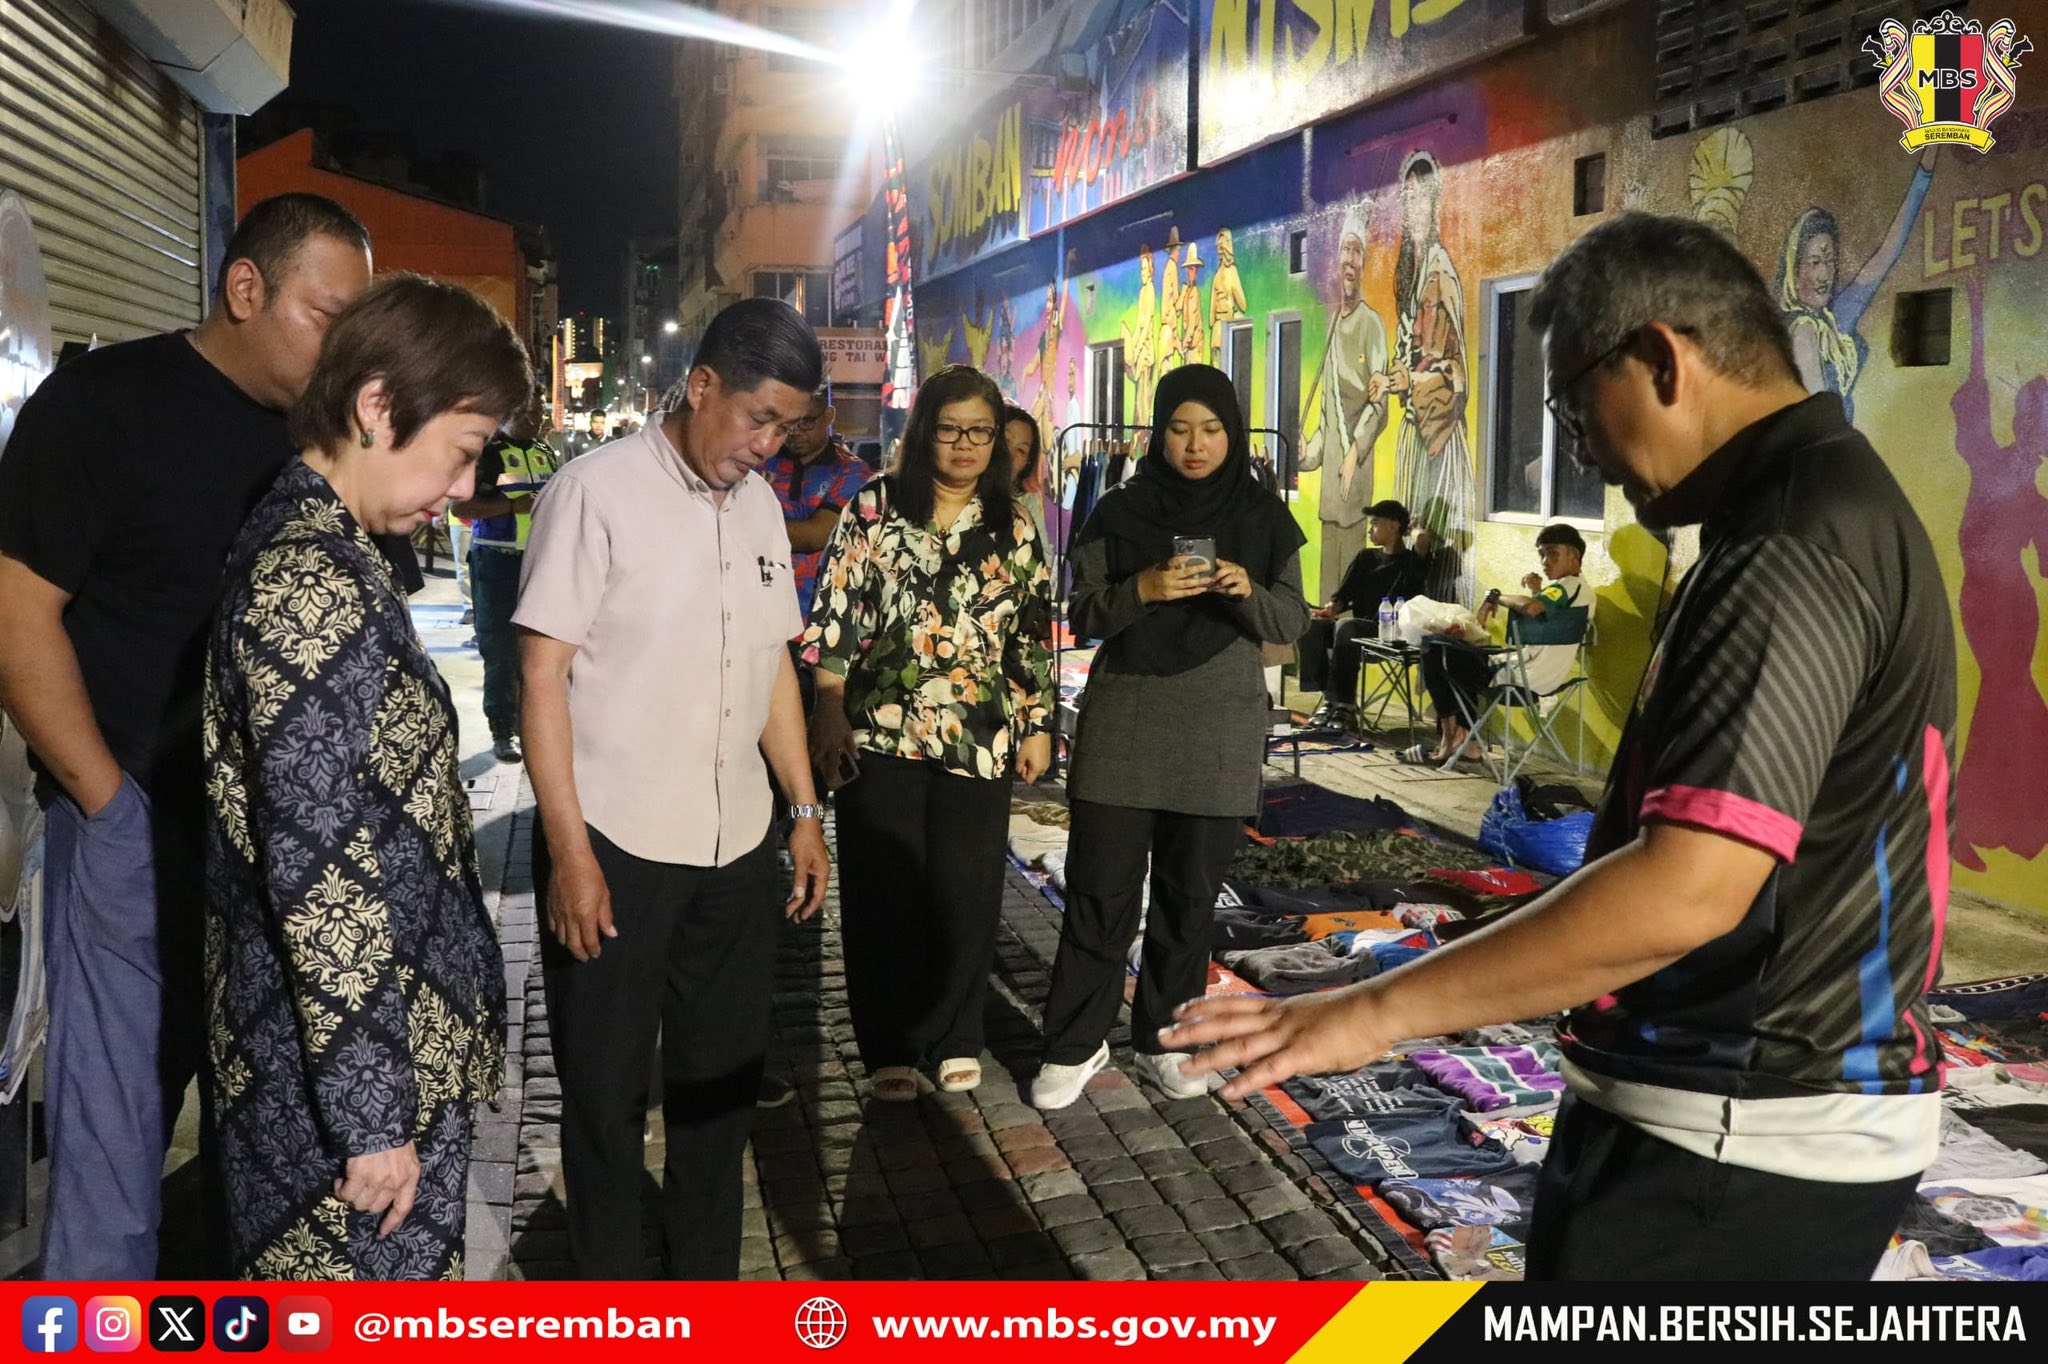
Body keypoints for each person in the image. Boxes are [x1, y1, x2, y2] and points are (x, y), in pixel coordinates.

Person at [1166, 213, 1956, 1282]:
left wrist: (1370, 1013)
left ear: (1659, 358)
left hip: (1738, 1132)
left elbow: (1689, 889)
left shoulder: (1789, 540)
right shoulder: (1801, 509)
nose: (1574, 447)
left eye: (1572, 404)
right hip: (1731, 1114)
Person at [0, 192, 372, 1278]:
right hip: (134, 831)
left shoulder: (324, 445)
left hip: (276, 858)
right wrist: (107, 801)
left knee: (274, 1159)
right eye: (326, 314)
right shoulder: (103, 403)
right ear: (244, 288)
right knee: (112, 1156)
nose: (342, 348)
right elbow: (18, 613)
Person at [204, 274, 525, 1280]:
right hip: (337, 1108)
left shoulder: (327, 541)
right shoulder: (311, 578)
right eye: (464, 448)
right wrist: (373, 1117)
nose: (466, 487)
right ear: (379, 405)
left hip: (341, 1067)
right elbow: (319, 873)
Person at [514, 297, 831, 1279]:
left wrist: (805, 809)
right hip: (611, 838)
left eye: (785, 426)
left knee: (716, 1090)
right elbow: (538, 676)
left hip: (735, 844)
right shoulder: (593, 492)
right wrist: (569, 853)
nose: (768, 444)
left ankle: (704, 1288)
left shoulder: (757, 503)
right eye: (756, 419)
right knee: (606, 1099)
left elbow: (773, 663)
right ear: (700, 386)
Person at [1031, 364, 1309, 1109]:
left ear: (1233, 433)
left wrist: (1247, 589)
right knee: (1100, 892)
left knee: (1189, 901)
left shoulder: (1263, 516)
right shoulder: (1120, 510)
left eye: (1212, 429)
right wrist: (1144, 590)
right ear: (1158, 433)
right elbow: (1082, 610)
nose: (1195, 445)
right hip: (1127, 716)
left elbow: (1292, 621)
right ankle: (1074, 1043)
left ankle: (1164, 1037)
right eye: (1180, 428)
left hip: (1218, 728)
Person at [805, 366, 1053, 1101]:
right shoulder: (875, 508)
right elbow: (836, 614)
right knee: (884, 893)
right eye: (951, 429)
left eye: (981, 431)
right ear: (924, 434)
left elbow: (1031, 637)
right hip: (880, 732)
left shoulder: (1012, 526)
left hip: (978, 738)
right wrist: (827, 707)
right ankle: (890, 1044)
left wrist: (1037, 724)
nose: (967, 444)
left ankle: (954, 1034)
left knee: (964, 891)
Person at [1402, 523, 1586, 765]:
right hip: (1541, 676)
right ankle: (1465, 740)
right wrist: (1537, 590)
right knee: (1456, 652)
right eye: (1541, 554)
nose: (1544, 561)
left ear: (1573, 555)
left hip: (1521, 680)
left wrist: (1495, 596)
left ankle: (1452, 736)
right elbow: (1546, 618)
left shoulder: (1568, 587)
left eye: (1552, 553)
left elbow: (1531, 609)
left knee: (1433, 647)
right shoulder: (1578, 591)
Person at [451, 387, 558, 763]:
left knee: (541, 648)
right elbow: (461, 504)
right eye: (529, 410)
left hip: (541, 563)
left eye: (541, 410)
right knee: (499, 649)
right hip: (497, 563)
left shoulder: (546, 453)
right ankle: (501, 729)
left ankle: (533, 723)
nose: (536, 417)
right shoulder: (490, 452)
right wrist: (511, 506)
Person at [1388, 150, 1475, 607]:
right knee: (1409, 537)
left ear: (1435, 201)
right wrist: (1393, 379)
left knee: (1438, 544)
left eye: (1422, 196)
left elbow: (1455, 371)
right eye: (1407, 196)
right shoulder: (1410, 271)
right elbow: (1411, 352)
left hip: (1437, 436)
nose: (1414, 205)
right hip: (1413, 432)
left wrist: (1413, 383)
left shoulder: (1440, 270)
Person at [1299, 203, 1390, 598]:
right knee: (1323, 602)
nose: (1349, 261)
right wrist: (1304, 454)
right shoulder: (1333, 321)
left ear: (1364, 262)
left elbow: (1379, 403)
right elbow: (1327, 421)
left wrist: (1355, 452)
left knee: (1348, 600)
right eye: (1345, 252)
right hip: (1329, 497)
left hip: (1355, 492)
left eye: (1357, 252)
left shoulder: (1370, 324)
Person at [1298, 499, 1426, 728]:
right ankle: (1331, 697)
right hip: (1356, 630)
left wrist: (1412, 528)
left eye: (1376, 523)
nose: (1370, 529)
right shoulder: (1366, 557)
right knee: (1311, 625)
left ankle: (1343, 705)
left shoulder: (1411, 562)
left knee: (1346, 627)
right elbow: (1344, 594)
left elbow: (1423, 540)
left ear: (1394, 527)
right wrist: (1330, 609)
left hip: (1389, 632)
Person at [760, 383, 871, 626]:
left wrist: (747, 526)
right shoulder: (762, 460)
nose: (796, 431)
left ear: (828, 416)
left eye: (806, 421)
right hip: (761, 614)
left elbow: (818, 534)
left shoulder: (851, 470)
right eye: (789, 422)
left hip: (821, 617)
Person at [1002, 401, 1048, 541]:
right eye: (1005, 441)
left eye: (1021, 450)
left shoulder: (1026, 502)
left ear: (1028, 463)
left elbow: (1043, 554)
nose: (1010, 455)